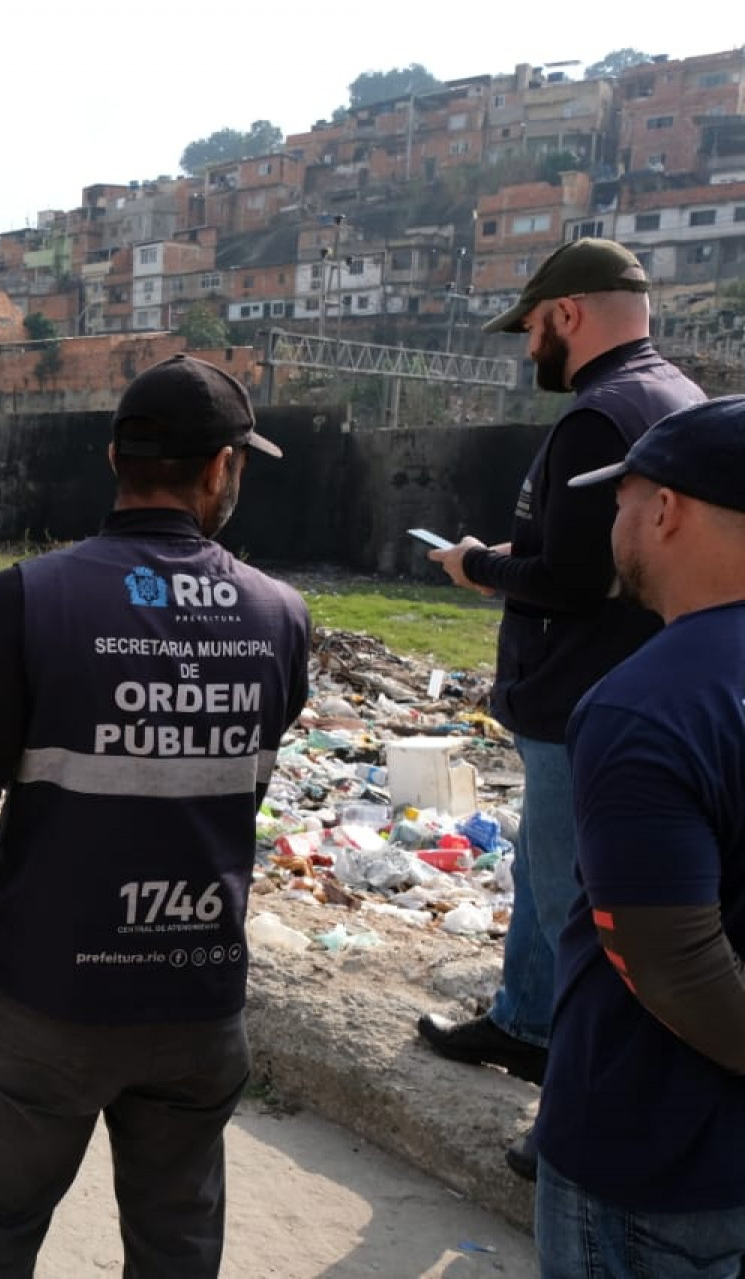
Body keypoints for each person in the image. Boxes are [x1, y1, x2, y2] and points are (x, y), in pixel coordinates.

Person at [0, 354, 311, 1277]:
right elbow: (237, 783)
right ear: (219, 470)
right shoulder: (281, 616)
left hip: (47, 998)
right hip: (198, 999)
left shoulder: (28, 600)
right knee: (177, 1243)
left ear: (117, 456)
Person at [417, 239, 703, 1174]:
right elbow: (599, 558)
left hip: (581, 698)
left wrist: (477, 565)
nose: (529, 347)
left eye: (533, 328)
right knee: (550, 889)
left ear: (567, 316)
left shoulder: (597, 417)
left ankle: (571, 1118)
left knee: (584, 920)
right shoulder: (675, 401)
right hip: (631, 688)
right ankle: (524, 1022)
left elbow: (575, 582)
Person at [531, 395, 745, 1275]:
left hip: (652, 1160)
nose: (611, 516)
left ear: (665, 510)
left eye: (622, 497)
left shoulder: (647, 704)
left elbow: (673, 968)